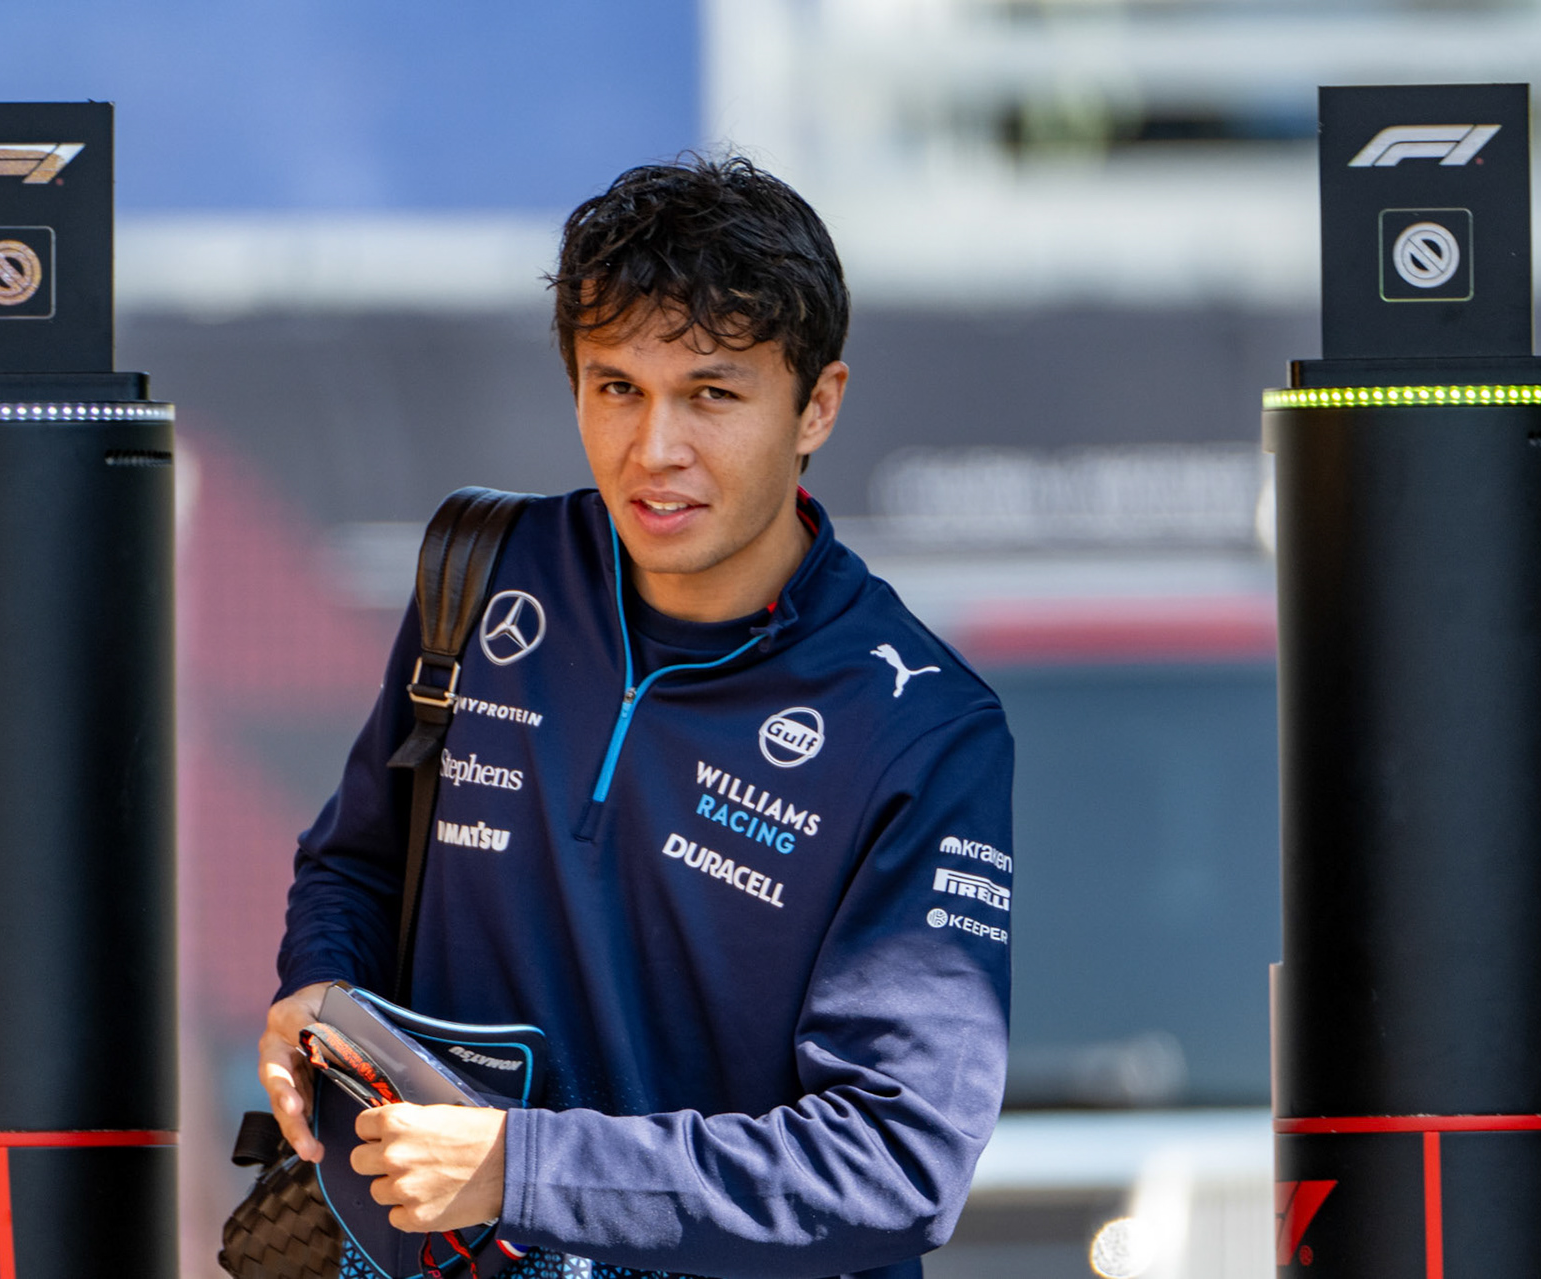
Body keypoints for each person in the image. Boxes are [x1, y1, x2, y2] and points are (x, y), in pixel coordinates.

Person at [261, 156, 1015, 1279]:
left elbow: (896, 1162)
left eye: (712, 393)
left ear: (817, 404)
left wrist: (525, 1169)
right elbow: (357, 863)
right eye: (617, 387)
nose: (655, 449)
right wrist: (322, 988)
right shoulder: (483, 573)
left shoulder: (922, 725)